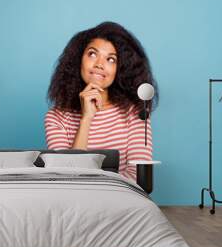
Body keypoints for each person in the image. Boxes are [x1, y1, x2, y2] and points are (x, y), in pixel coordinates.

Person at [44, 21, 158, 181]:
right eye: (92, 54)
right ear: (78, 60)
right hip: (75, 202)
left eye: (111, 59)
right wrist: (86, 119)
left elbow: (138, 177)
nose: (99, 64)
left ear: (121, 69)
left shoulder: (134, 114)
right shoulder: (56, 118)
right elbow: (65, 178)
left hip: (121, 200)